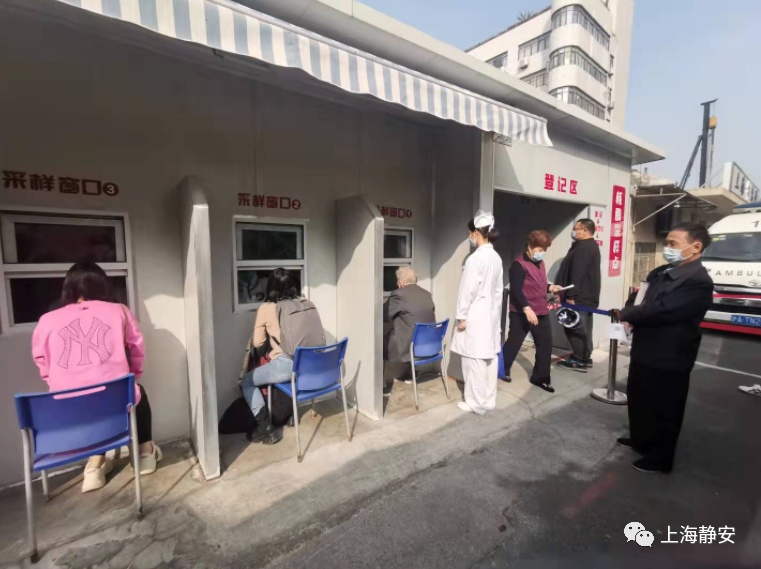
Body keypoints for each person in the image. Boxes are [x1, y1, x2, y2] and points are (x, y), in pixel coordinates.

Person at [31, 262, 161, 493]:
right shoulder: (119, 311)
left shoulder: (46, 320)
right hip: (115, 403)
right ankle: (145, 455)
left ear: (68, 288)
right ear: (103, 286)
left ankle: (94, 466)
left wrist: (57, 383)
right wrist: (133, 376)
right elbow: (137, 348)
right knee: (135, 394)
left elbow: (41, 360)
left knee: (89, 403)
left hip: (67, 409)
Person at [615, 223, 713, 473]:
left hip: (670, 354)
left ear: (696, 247)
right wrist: (629, 312)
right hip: (645, 348)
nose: (667, 248)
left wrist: (628, 314)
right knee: (639, 397)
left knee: (664, 407)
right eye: (666, 242)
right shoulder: (661, 271)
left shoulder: (698, 282)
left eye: (673, 243)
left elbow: (663, 310)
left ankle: (660, 458)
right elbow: (639, 296)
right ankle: (640, 439)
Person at [241, 268, 325, 445]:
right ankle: (292, 415)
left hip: (287, 365)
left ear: (270, 287)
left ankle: (265, 427)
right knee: (287, 377)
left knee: (247, 381)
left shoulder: (266, 308)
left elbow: (257, 342)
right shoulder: (303, 303)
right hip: (310, 365)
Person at [451, 212, 504, 415]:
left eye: (469, 233)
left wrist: (461, 316)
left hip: (475, 314)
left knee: (473, 361)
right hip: (491, 314)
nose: (469, 236)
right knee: (490, 360)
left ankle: (475, 403)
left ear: (476, 233)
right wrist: (495, 315)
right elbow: (498, 291)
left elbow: (467, 291)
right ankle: (489, 400)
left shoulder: (475, 259)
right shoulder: (496, 258)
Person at [502, 230, 565, 392]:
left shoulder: (540, 263)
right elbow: (516, 290)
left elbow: (539, 283)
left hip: (541, 310)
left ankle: (541, 378)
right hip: (521, 312)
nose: (542, 253)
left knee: (545, 344)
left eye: (544, 250)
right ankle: (502, 368)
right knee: (514, 343)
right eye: (539, 249)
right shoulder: (518, 265)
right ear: (529, 246)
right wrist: (526, 308)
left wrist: (551, 287)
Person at [555, 218, 601, 372]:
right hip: (584, 297)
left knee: (574, 327)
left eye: (576, 228)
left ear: (585, 230)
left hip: (578, 298)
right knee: (583, 327)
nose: (574, 231)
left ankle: (579, 358)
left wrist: (571, 296)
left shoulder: (584, 247)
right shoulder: (585, 246)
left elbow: (577, 273)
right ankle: (584, 356)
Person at [382, 266, 436, 397]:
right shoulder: (426, 294)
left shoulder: (398, 294)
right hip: (430, 345)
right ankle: (412, 373)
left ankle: (382, 385)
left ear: (400, 283)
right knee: (410, 327)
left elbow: (384, 315)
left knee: (379, 342)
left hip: (410, 346)